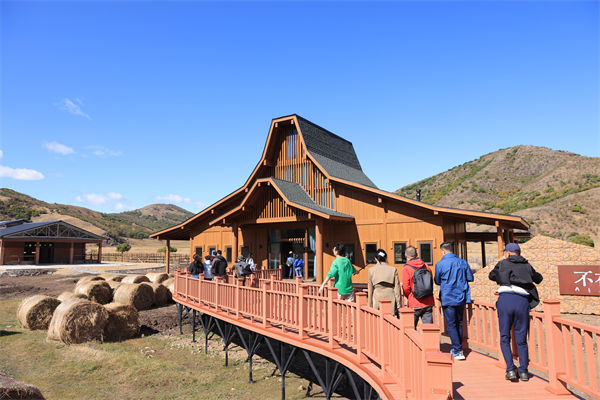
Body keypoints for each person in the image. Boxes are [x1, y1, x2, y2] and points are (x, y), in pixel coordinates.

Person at [489, 242, 543, 382]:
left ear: (507, 253)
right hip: (522, 301)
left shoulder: (502, 263)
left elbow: (491, 276)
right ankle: (524, 371)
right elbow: (539, 278)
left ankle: (510, 370)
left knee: (505, 336)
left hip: (506, 300)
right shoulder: (526, 264)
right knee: (521, 338)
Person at [434, 241, 473, 361]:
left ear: (443, 251)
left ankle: (457, 350)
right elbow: (470, 277)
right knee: (459, 322)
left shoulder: (440, 264)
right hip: (461, 296)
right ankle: (458, 347)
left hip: (447, 297)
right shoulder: (463, 262)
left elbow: (437, 280)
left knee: (451, 324)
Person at [402, 246, 435, 329]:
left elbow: (406, 287)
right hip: (428, 301)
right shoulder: (426, 266)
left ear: (405, 255)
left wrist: (408, 296)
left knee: (410, 330)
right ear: (416, 254)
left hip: (414, 301)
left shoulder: (406, 268)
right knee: (429, 330)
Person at [367, 249, 401, 315]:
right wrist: (398, 305)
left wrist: (369, 306)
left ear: (376, 259)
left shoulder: (371, 270)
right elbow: (397, 289)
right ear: (386, 258)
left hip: (377, 298)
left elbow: (370, 290)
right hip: (390, 298)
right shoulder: (393, 269)